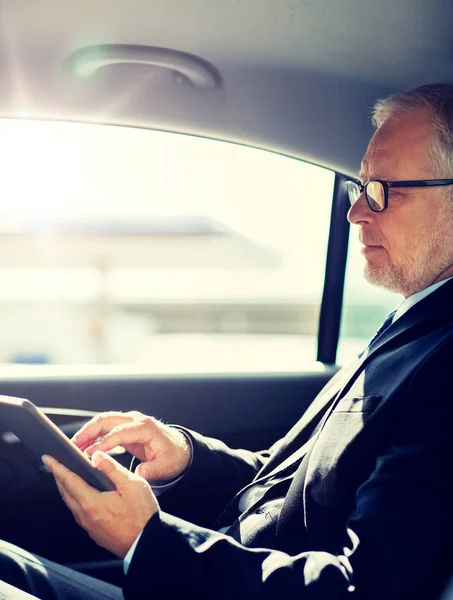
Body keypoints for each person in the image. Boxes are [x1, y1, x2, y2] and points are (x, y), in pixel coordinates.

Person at [1, 82, 453, 600]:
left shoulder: (443, 363)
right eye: (360, 186)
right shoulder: (414, 327)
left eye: (383, 189)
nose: (356, 212)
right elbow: (289, 487)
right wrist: (186, 457)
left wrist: (151, 541)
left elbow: (367, 590)